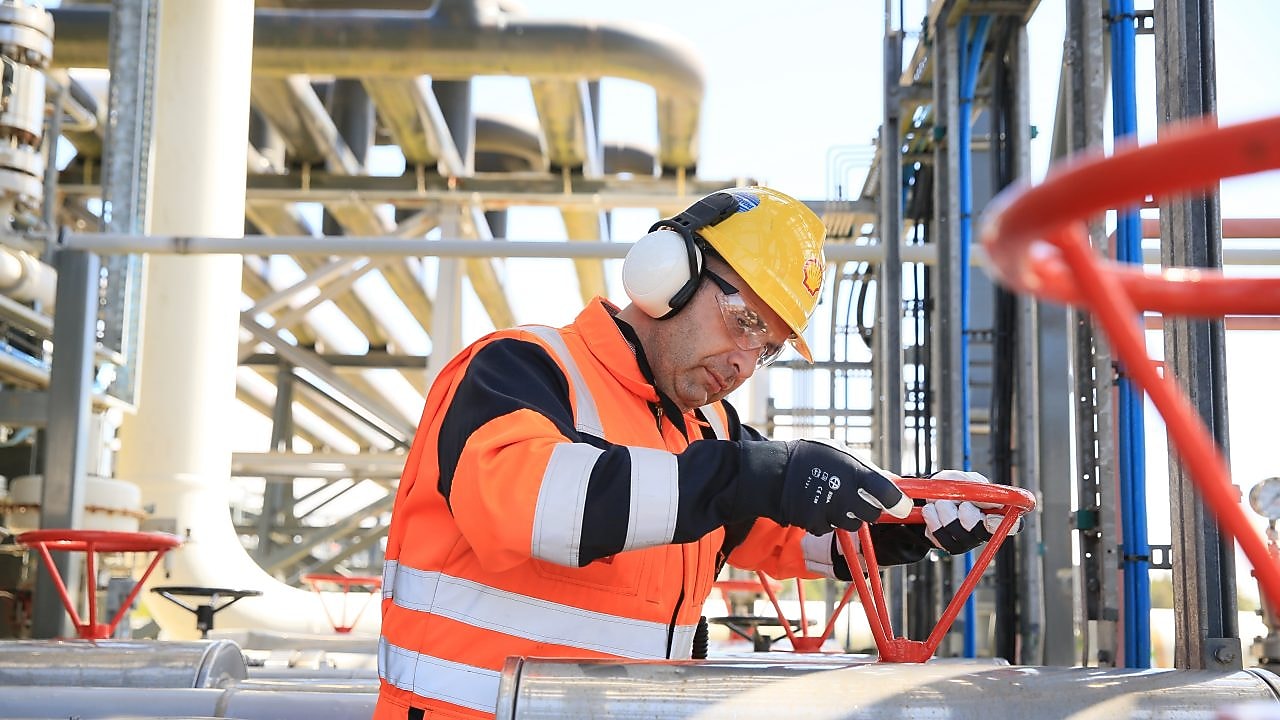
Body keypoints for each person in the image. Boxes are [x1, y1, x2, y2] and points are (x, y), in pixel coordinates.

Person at [375, 186, 1013, 720]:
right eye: (746, 322)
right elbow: (530, 506)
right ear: (668, 274)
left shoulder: (707, 432)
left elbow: (791, 528)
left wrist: (912, 516)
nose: (745, 364)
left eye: (767, 349)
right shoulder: (521, 368)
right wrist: (749, 476)